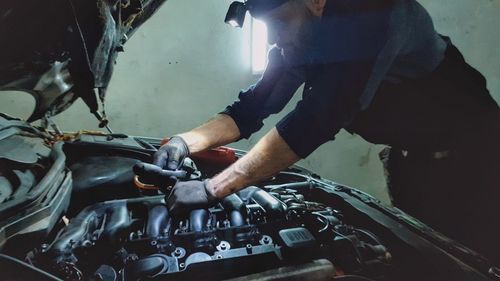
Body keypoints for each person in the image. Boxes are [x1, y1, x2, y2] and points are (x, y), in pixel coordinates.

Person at [146, 0, 500, 262]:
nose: (277, 39)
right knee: (420, 257)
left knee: (474, 259)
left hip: (477, 157)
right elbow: (251, 109)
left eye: (280, 24)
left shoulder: (376, 15)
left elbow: (315, 120)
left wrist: (213, 188)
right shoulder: (301, 35)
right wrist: (183, 143)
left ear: (315, 2)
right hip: (414, 157)